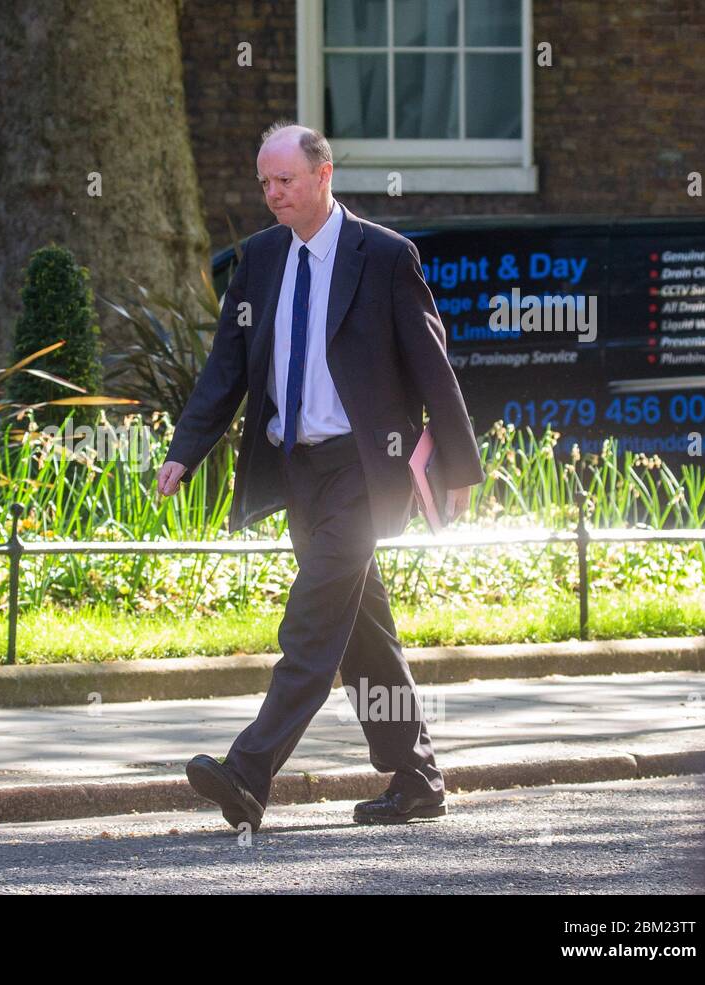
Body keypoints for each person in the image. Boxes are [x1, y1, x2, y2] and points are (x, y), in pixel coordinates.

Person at [158, 121, 484, 830]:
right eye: (264, 182)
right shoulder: (260, 259)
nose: (272, 194)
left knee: (311, 618)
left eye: (285, 181)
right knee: (361, 626)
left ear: (323, 175)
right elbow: (227, 368)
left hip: (365, 469)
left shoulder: (385, 257)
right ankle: (417, 775)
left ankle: (248, 771)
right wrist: (187, 447)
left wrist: (459, 464)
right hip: (298, 468)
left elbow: (432, 363)